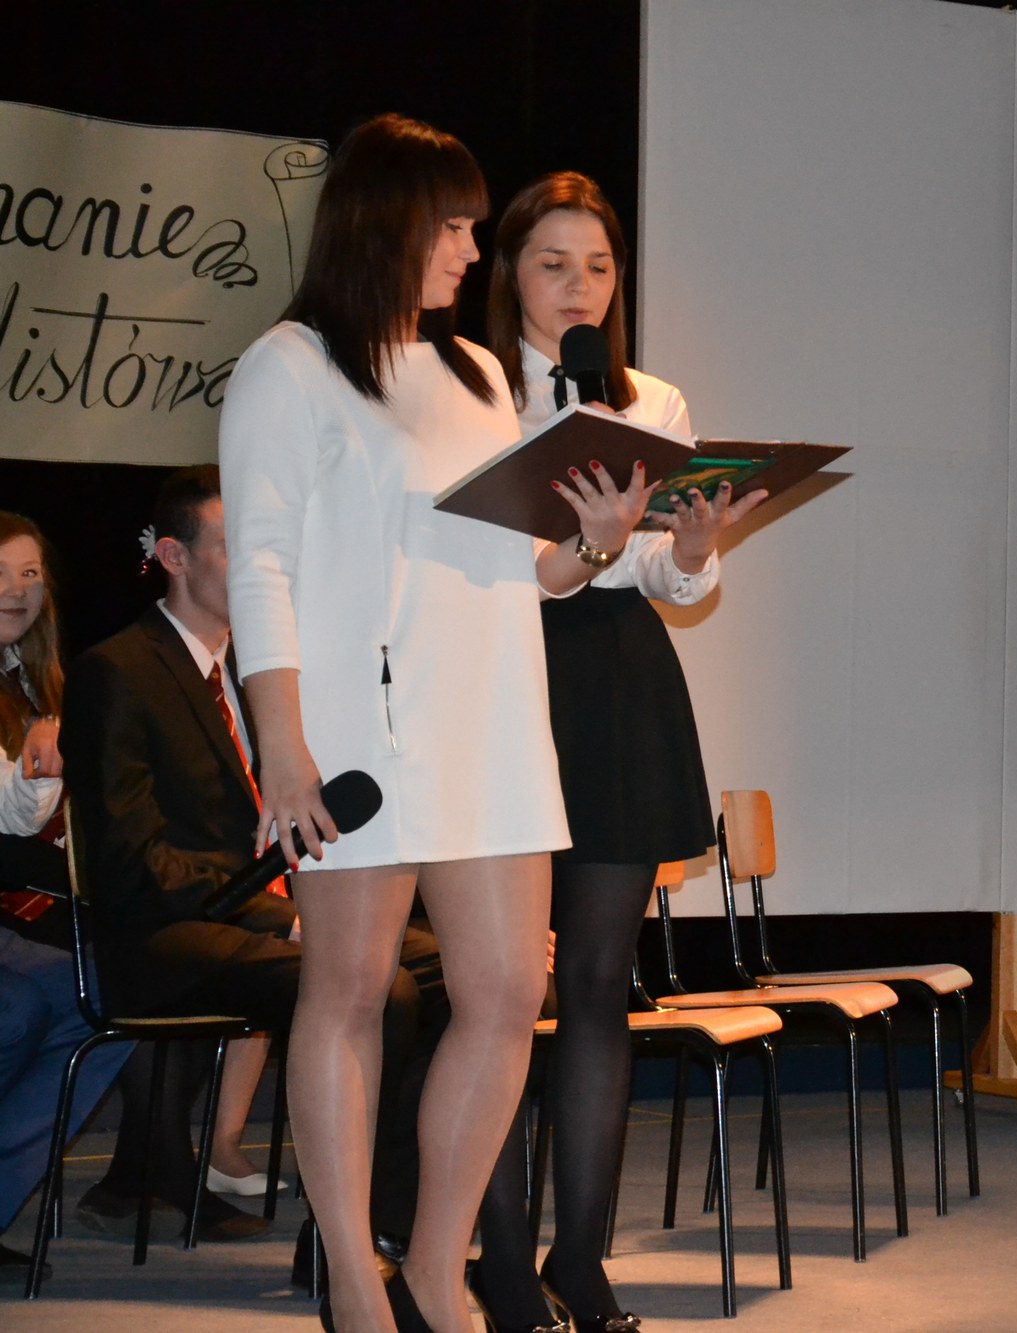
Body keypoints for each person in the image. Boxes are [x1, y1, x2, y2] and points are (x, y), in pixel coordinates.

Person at [219, 118, 652, 1332]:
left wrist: (594, 543)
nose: (472, 249)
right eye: (455, 226)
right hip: (359, 726)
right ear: (389, 223)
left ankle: (433, 1267)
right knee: (350, 989)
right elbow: (259, 567)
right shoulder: (289, 365)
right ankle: (355, 1282)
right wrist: (282, 743)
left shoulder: (474, 373)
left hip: (493, 719)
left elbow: (523, 567)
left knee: (508, 991)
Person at [470, 171, 762, 1333]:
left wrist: (687, 549)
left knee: (597, 983)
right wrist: (582, 544)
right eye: (552, 264)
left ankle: (579, 1259)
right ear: (508, 273)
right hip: (500, 672)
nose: (577, 286)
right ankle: (495, 1260)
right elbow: (478, 554)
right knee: (501, 989)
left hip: (615, 682)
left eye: (596, 266)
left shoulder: (652, 398)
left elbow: (663, 575)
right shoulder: (471, 388)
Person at [59, 467, 448, 1255]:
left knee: (455, 970)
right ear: (174, 556)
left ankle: (403, 1207)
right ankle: (352, 1233)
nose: (266, 568)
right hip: (162, 936)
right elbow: (134, 865)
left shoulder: (262, 671)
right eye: (240, 548)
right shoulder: (119, 670)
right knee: (379, 987)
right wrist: (285, 919)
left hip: (252, 920)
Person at [0, 512, 128, 1274]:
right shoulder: (42, 705)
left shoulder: (36, 682)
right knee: (18, 1006)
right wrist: (40, 763)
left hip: (27, 913)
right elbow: (12, 817)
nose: (16, 589)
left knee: (111, 994)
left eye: (29, 574)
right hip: (17, 910)